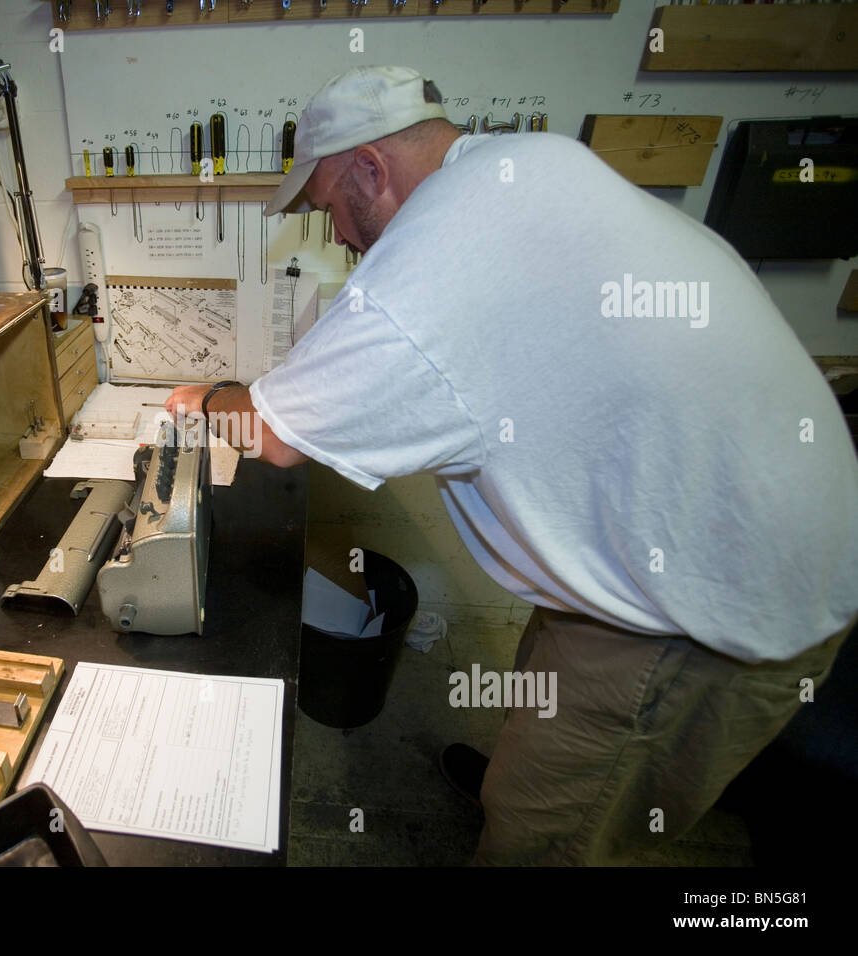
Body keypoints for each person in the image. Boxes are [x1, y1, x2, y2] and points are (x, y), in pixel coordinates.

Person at [165, 65, 858, 865]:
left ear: (371, 170)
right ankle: (522, 779)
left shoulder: (433, 256)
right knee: (545, 717)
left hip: (706, 596)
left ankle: (534, 815)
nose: (343, 239)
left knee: (552, 837)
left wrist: (206, 397)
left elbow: (278, 437)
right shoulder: (528, 164)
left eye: (329, 214)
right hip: (685, 529)